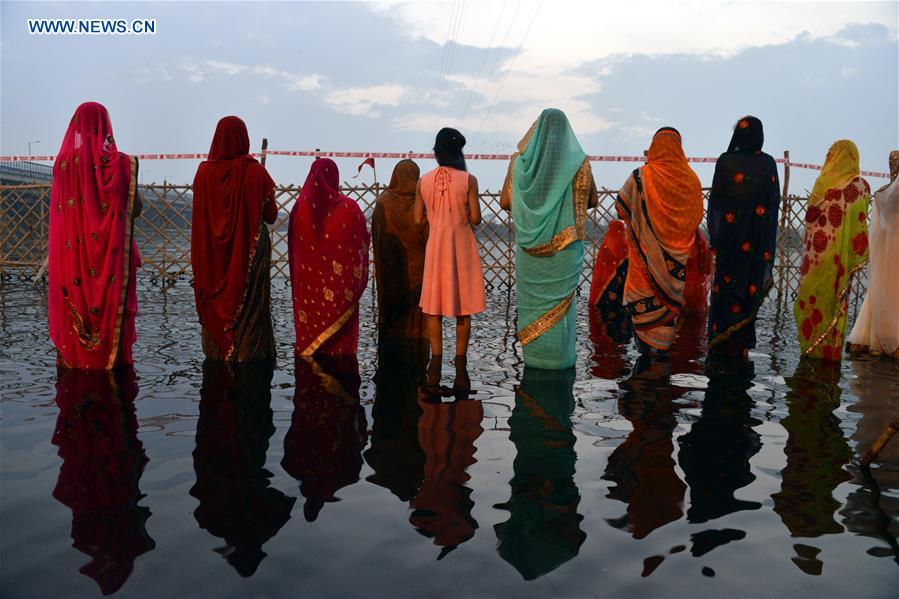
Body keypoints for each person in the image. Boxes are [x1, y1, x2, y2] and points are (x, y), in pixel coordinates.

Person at [500, 108, 598, 369]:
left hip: (529, 251)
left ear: (536, 130)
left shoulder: (519, 163)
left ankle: (535, 364)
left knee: (533, 308)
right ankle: (560, 364)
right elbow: (593, 200)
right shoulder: (580, 163)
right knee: (562, 311)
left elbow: (504, 201)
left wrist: (532, 205)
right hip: (564, 252)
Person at [48, 101, 142, 370]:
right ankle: (113, 369)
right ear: (105, 125)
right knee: (113, 317)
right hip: (112, 260)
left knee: (75, 313)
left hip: (72, 258)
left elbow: (63, 216)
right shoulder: (123, 164)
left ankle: (77, 363)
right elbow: (135, 208)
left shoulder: (64, 164)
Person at [191, 116, 278, 362]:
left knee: (214, 301)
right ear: (244, 138)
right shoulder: (257, 173)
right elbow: (270, 216)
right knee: (251, 307)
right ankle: (249, 354)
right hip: (250, 251)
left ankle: (219, 355)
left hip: (210, 256)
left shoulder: (204, 173)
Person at [615, 127, 703, 355]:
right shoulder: (692, 181)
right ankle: (658, 372)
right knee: (667, 322)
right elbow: (696, 217)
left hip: (643, 270)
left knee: (645, 334)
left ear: (654, 147)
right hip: (675, 272)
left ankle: (646, 373)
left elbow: (620, 208)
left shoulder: (641, 176)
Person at [415, 128, 486, 384]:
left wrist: (437, 218)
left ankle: (436, 360)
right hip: (461, 247)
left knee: (433, 308)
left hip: (436, 246)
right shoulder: (469, 180)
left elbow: (416, 218)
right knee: (462, 307)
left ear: (437, 152)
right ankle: (460, 362)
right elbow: (476, 219)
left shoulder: (423, 181)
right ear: (458, 153)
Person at [706, 116, 780, 358]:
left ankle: (720, 346)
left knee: (726, 293)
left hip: (729, 246)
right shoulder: (768, 164)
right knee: (748, 293)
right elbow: (772, 204)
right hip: (756, 247)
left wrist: (717, 241)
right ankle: (743, 350)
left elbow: (716, 204)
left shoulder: (725, 162)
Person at [794, 140, 870, 361]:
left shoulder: (822, 184)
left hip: (815, 261)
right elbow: (859, 223)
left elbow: (810, 222)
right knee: (834, 304)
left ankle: (809, 352)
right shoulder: (860, 186)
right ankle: (829, 355)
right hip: (839, 262)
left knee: (813, 302)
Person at [289, 158, 370, 356]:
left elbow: (295, 251)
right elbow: (362, 242)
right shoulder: (350, 208)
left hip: (308, 293)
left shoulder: (299, 210)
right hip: (342, 293)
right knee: (342, 353)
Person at [848, 150, 899, 358]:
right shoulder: (885, 194)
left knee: (882, 290)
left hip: (886, 252)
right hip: (891, 250)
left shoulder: (881, 194)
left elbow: (877, 231)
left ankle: (877, 337)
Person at [371, 159, 428, 340]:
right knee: (417, 320)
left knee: (392, 321)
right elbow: (429, 238)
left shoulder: (383, 203)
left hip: (390, 274)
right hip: (418, 273)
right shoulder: (422, 204)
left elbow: (377, 238)